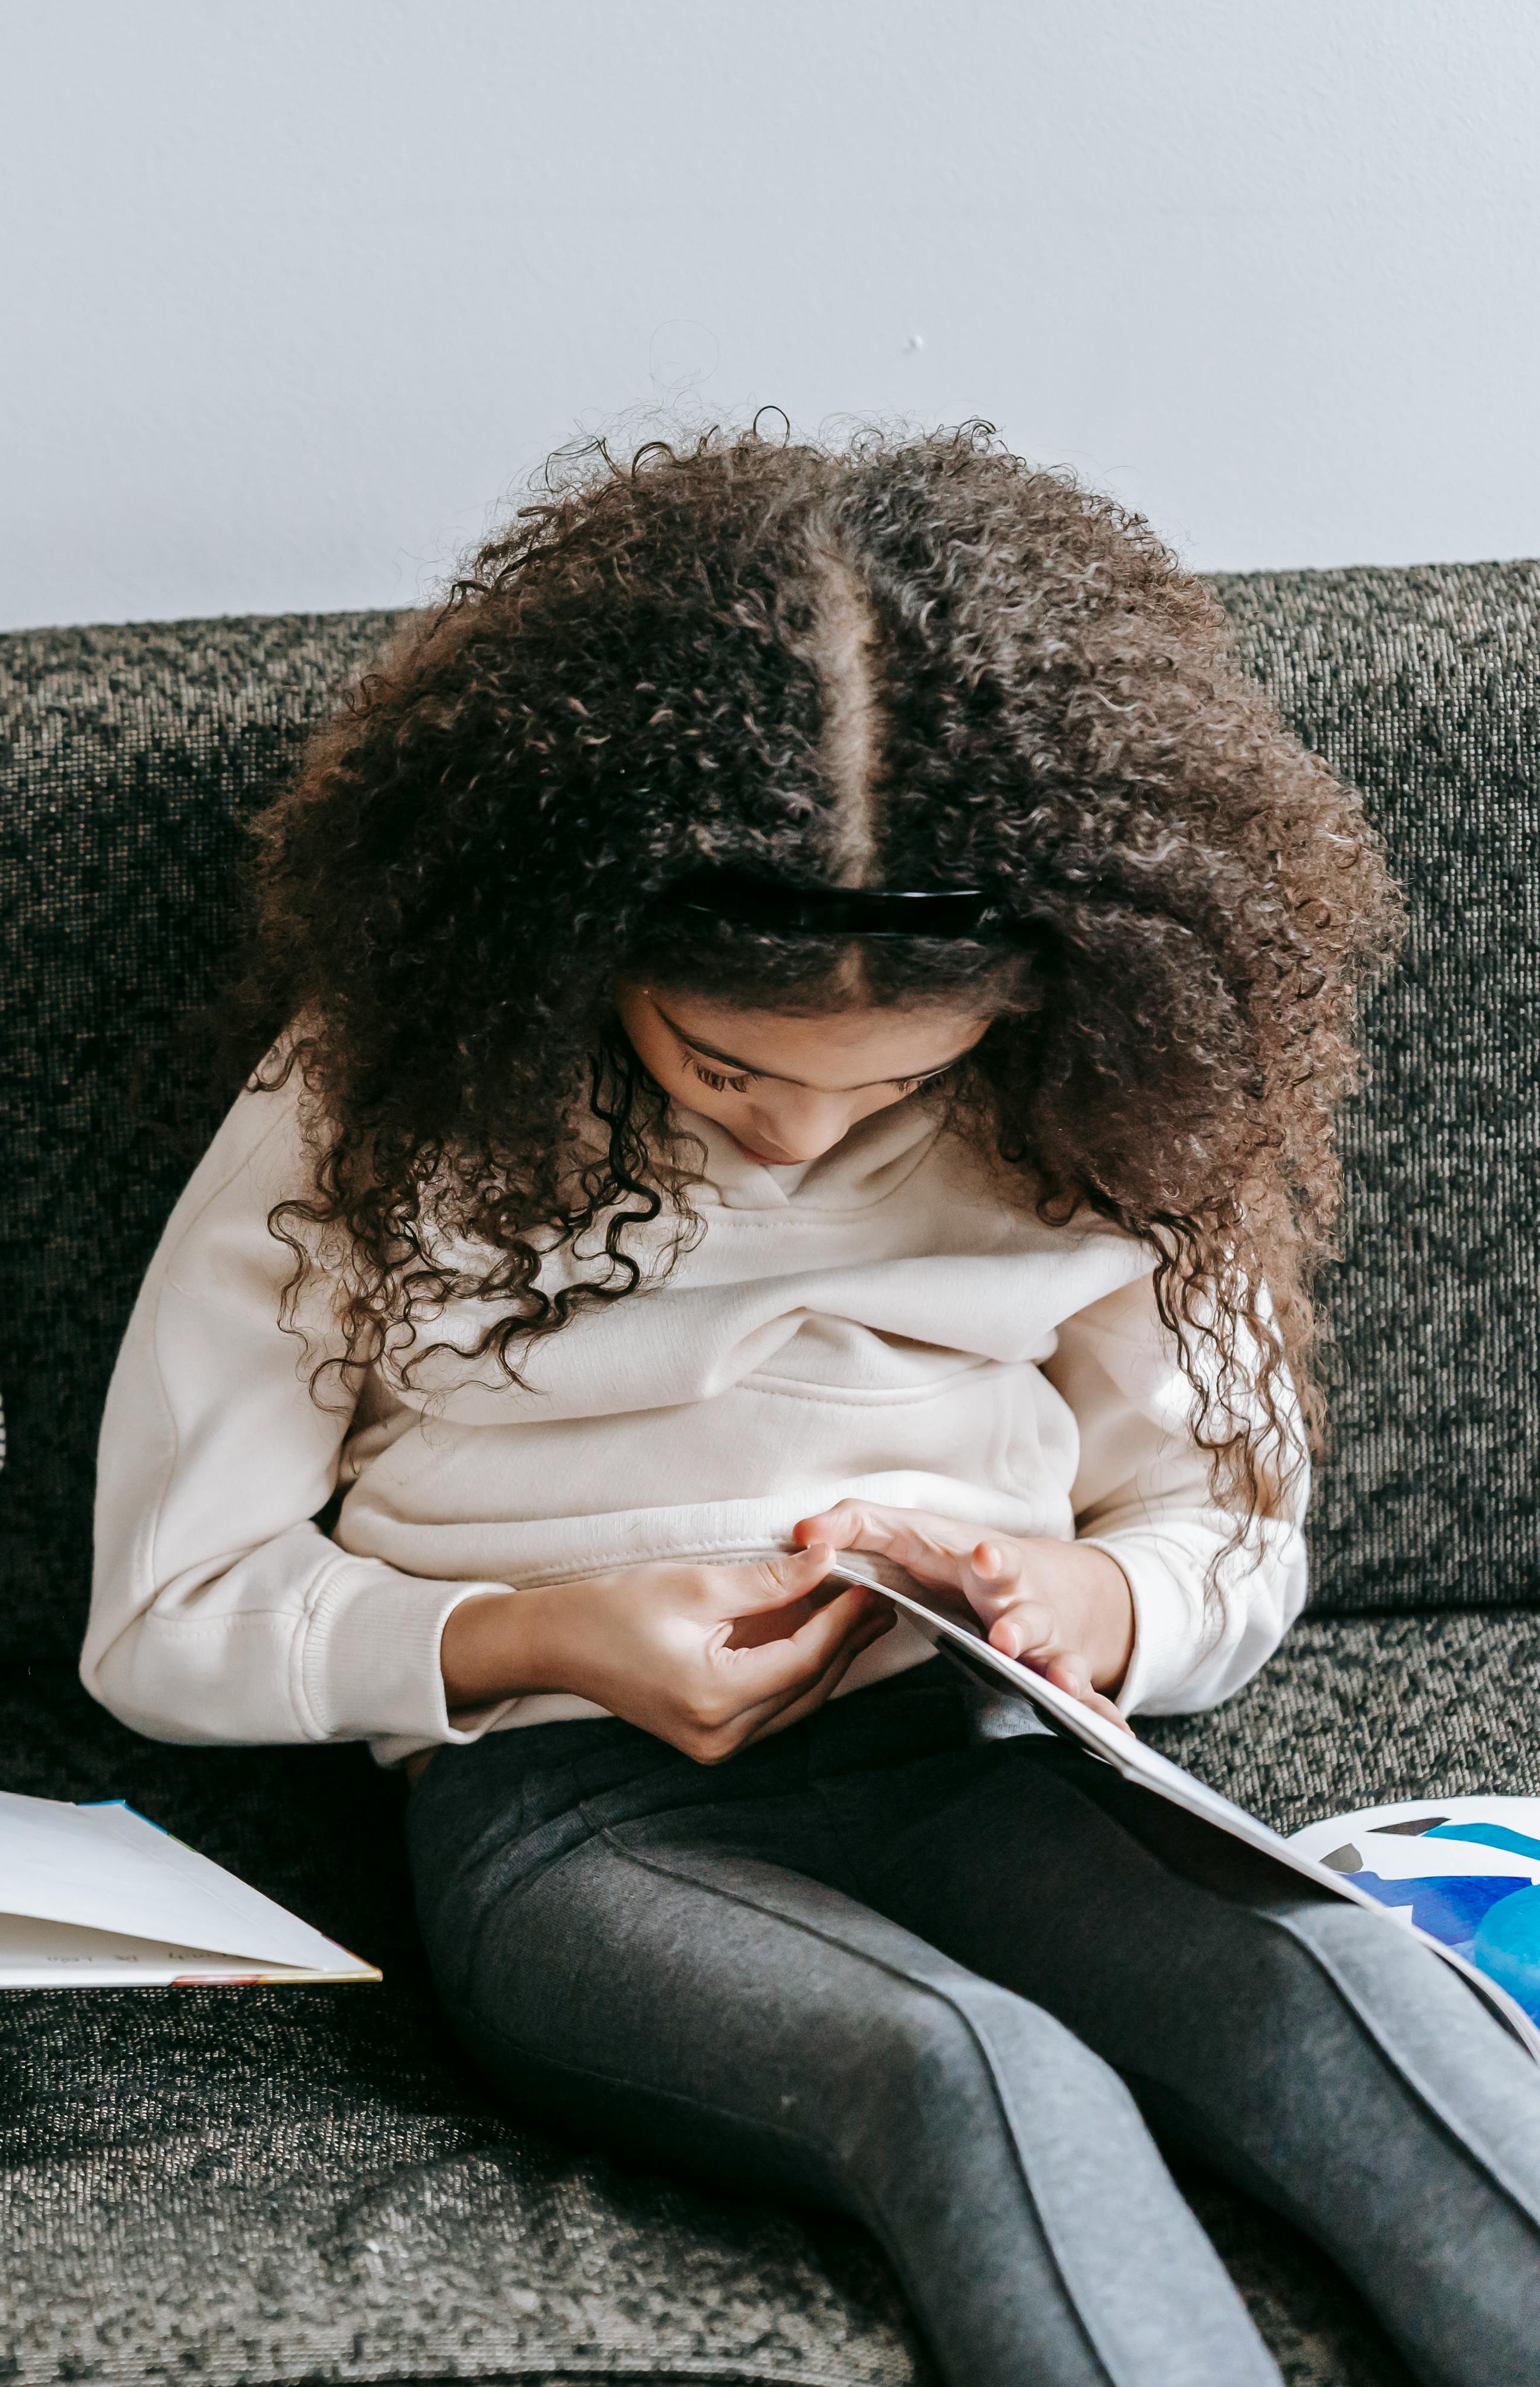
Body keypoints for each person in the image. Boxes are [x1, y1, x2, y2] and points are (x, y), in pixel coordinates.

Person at [84, 424, 1540, 2386]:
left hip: (989, 1749)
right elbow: (161, 1619)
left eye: (890, 1083)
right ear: (576, 946)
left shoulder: (1108, 1112)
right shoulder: (372, 1099)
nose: (798, 1134)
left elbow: (1225, 1535)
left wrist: (1082, 1606)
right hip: (575, 1812)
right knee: (970, 2074)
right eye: (725, 1063)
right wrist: (537, 1638)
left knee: (1350, 1986)